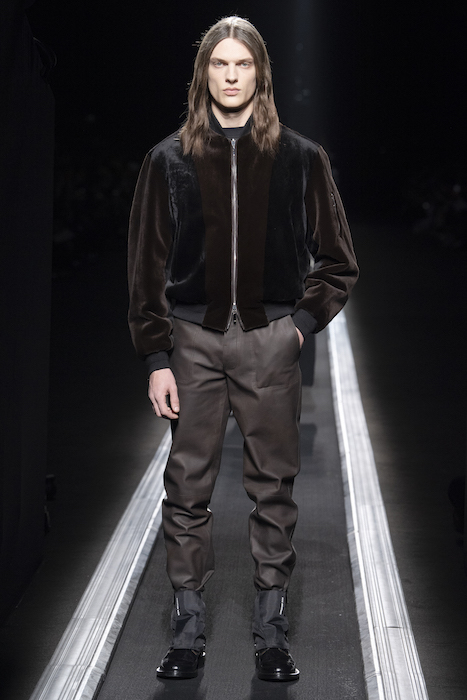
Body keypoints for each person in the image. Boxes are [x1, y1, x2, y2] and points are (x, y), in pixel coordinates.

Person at [128, 16, 358, 682]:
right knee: (186, 489)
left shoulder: (301, 158)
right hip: (192, 343)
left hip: (268, 342)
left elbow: (338, 261)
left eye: (243, 64)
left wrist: (297, 329)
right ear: (204, 73)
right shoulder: (167, 160)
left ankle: (271, 635)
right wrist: (156, 357)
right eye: (219, 64)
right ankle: (187, 634)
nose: (231, 76)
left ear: (261, 73)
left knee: (273, 489)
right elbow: (145, 268)